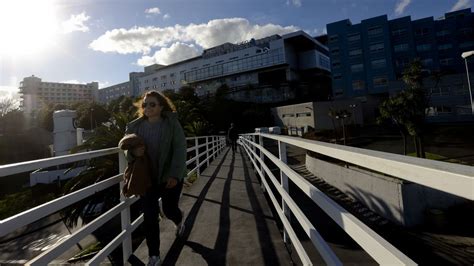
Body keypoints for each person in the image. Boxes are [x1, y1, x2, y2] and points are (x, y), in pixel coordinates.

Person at [124, 90, 187, 266]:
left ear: (161, 106)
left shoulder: (171, 123)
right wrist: (133, 153)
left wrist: (175, 174)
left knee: (169, 209)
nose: (147, 107)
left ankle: (179, 219)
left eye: (152, 104)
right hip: (147, 179)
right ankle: (154, 256)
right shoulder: (135, 126)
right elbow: (126, 147)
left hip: (169, 176)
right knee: (149, 216)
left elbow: (180, 149)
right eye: (145, 104)